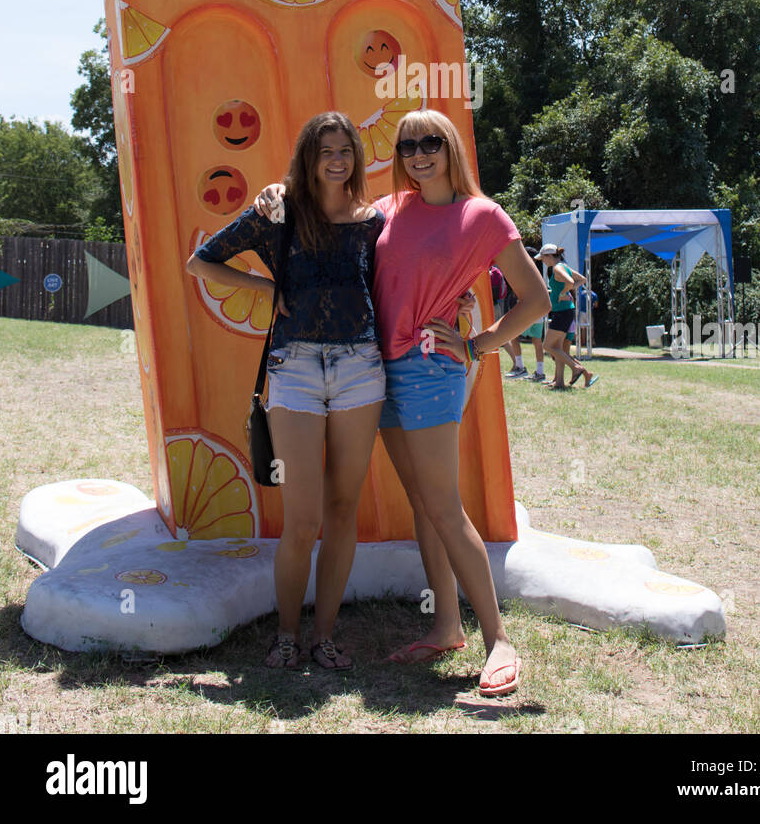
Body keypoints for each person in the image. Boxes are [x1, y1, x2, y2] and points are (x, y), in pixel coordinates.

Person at [254, 109, 549, 696]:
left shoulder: (483, 216)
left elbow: (536, 298)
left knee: (443, 503)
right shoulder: (391, 209)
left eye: (431, 142)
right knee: (421, 500)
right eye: (408, 144)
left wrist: (478, 342)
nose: (418, 153)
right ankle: (444, 627)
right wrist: (276, 192)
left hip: (428, 370)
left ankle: (498, 641)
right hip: (372, 370)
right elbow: (334, 214)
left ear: (451, 149)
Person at [185, 112, 386, 672]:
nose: (337, 159)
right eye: (326, 150)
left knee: (343, 508)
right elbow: (201, 262)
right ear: (309, 155)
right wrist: (263, 285)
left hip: (360, 370)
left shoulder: (374, 220)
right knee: (302, 519)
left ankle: (323, 636)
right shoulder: (278, 211)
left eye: (346, 149)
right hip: (293, 370)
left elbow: (400, 283)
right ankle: (287, 635)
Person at [536, 244, 598, 390]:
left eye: (543, 258)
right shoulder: (564, 267)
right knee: (557, 348)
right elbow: (582, 279)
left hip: (562, 312)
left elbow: (570, 282)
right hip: (565, 311)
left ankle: (578, 369)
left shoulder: (557, 268)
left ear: (549, 256)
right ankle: (560, 382)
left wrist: (563, 293)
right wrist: (565, 292)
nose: (543, 261)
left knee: (548, 346)